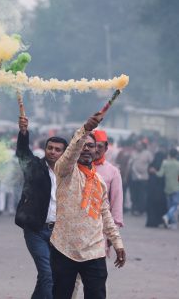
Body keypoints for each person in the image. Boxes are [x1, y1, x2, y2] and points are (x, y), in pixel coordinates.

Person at [50, 112, 126, 299]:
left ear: (96, 150)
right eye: (82, 146)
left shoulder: (99, 181)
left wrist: (117, 243)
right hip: (64, 247)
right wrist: (85, 130)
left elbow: (105, 213)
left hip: (94, 250)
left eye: (90, 146)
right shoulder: (65, 170)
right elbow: (71, 153)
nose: (86, 149)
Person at [15, 116, 68, 299]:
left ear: (64, 153)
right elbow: (22, 153)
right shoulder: (35, 167)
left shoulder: (69, 173)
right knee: (47, 273)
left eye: (57, 150)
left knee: (49, 274)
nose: (53, 152)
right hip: (36, 230)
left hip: (58, 232)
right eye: (50, 148)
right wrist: (23, 133)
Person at [150, 148, 179, 229]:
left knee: (170, 205)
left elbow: (160, 174)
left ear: (169, 154)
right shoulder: (178, 164)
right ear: (176, 155)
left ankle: (173, 223)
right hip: (176, 187)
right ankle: (167, 216)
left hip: (167, 188)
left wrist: (154, 171)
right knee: (175, 205)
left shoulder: (165, 163)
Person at [128, 140, 153, 215]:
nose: (138, 147)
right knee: (134, 194)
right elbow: (130, 163)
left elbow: (151, 163)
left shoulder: (147, 153)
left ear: (142, 146)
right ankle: (134, 208)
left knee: (142, 194)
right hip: (134, 177)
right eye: (137, 145)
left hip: (144, 178)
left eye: (140, 145)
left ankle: (140, 210)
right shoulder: (133, 153)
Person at [145, 150, 167, 227]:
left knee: (151, 206)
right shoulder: (164, 165)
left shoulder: (152, 164)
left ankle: (151, 222)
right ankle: (159, 221)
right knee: (160, 206)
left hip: (151, 189)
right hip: (161, 190)